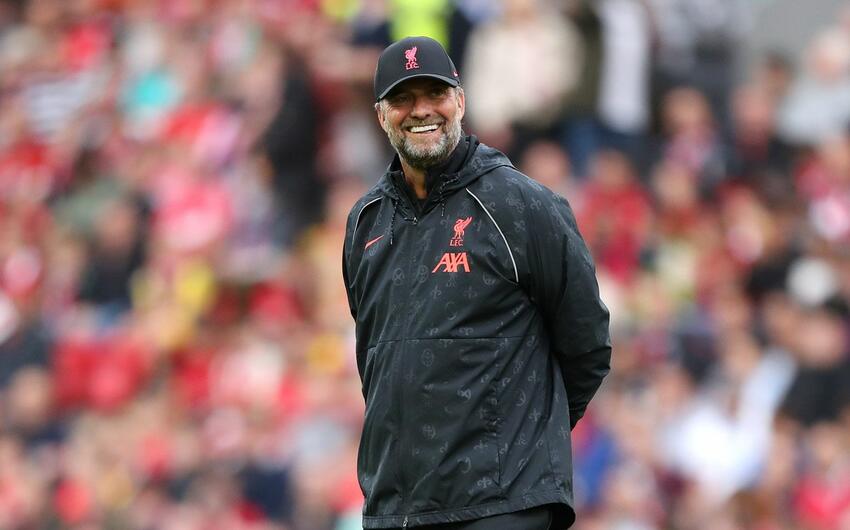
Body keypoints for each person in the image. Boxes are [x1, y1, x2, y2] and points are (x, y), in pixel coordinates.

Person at [342, 36, 612, 530]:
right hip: (398, 506)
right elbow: (376, 361)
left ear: (461, 101)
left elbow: (587, 344)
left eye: (435, 93)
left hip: (501, 503)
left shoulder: (522, 205)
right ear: (381, 115)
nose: (421, 110)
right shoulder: (366, 222)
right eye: (403, 98)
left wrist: (520, 441)